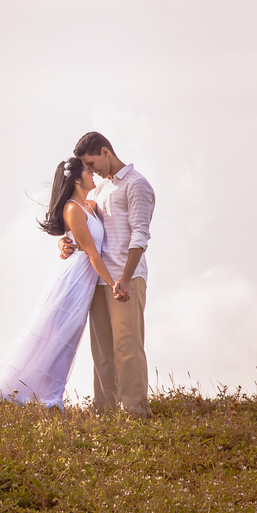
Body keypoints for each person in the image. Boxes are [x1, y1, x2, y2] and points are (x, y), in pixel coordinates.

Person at [0, 157, 120, 409]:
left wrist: (62, 243)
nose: (93, 175)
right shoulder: (72, 209)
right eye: (88, 172)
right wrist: (113, 284)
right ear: (77, 179)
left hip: (85, 279)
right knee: (58, 335)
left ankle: (51, 395)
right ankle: (43, 395)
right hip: (75, 279)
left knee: (70, 336)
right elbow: (91, 253)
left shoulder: (89, 205)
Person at [60, 132, 155, 417]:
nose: (91, 171)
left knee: (127, 347)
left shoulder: (137, 185)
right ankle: (105, 413)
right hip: (99, 281)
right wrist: (67, 242)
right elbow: (86, 225)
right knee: (102, 351)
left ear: (105, 152)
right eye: (87, 167)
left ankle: (137, 413)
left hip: (127, 278)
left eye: (91, 163)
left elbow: (140, 235)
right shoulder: (101, 190)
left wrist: (124, 279)